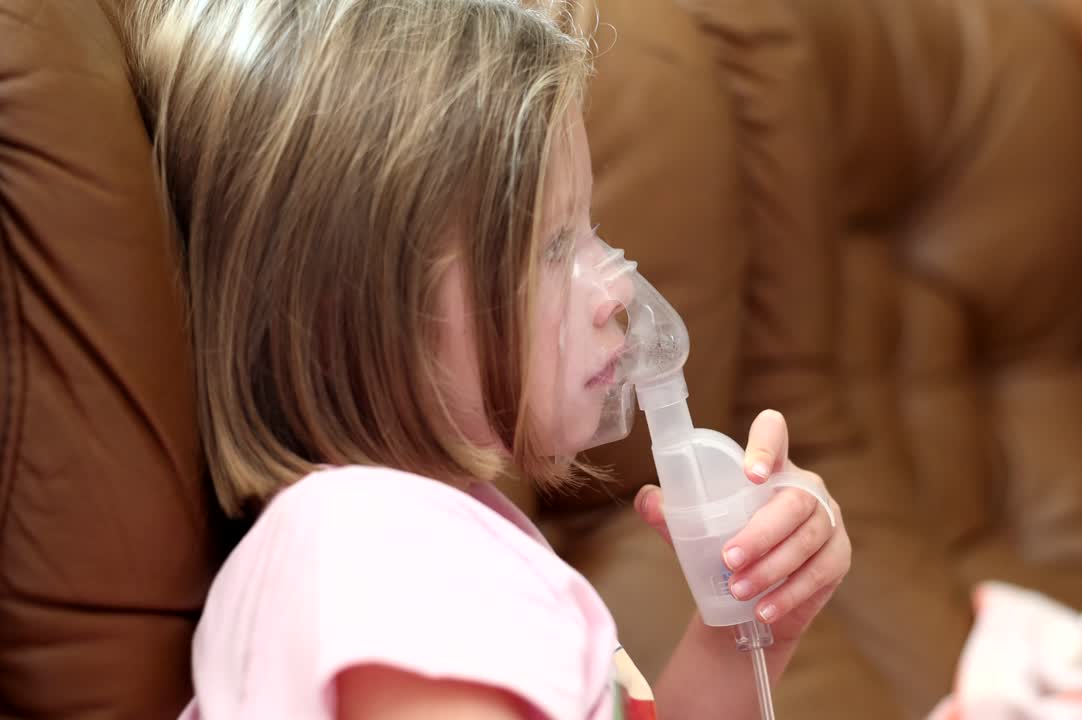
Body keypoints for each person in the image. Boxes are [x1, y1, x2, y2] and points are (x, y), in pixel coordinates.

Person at [127, 0, 852, 717]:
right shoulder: (372, 550)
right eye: (554, 245)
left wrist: (750, 625)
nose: (617, 288)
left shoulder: (436, 539)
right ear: (368, 305)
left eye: (586, 226)